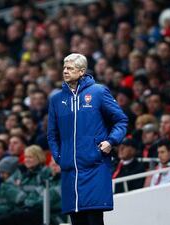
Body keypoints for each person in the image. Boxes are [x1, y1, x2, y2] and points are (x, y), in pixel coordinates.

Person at [47, 53, 128, 225]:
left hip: (95, 167)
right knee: (76, 220)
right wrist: (60, 157)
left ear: (82, 71)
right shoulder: (56, 99)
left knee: (94, 219)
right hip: (70, 171)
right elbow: (52, 134)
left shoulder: (98, 92)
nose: (65, 71)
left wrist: (111, 141)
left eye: (70, 68)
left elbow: (121, 120)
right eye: (64, 67)